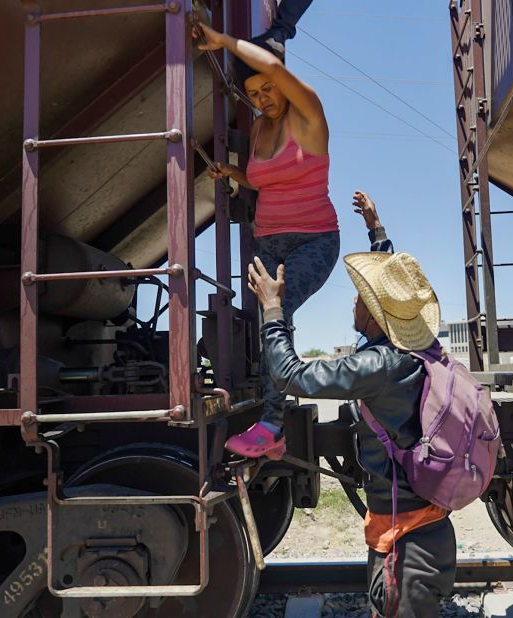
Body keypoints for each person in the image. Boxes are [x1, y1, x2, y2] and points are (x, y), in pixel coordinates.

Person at [246, 191, 456, 617]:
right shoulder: (415, 348)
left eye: (362, 299)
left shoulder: (379, 363)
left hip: (409, 539)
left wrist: (273, 310)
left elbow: (292, 375)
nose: (354, 301)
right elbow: (395, 290)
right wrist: (376, 231)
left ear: (376, 317)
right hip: (412, 526)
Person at [195, 13, 340, 459]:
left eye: (268, 90)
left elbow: (275, 68)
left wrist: (222, 40)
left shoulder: (310, 113)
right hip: (267, 243)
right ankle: (272, 420)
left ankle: (274, 426)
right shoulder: (258, 127)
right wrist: (235, 172)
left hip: (313, 240)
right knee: (268, 324)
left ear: (284, 82)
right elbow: (266, 180)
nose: (263, 98)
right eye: (254, 94)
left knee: (276, 314)